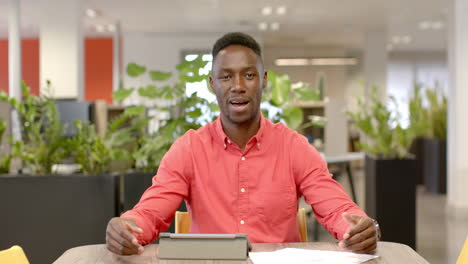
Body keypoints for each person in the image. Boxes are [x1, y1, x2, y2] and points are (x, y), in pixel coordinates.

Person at [105, 32, 381, 256]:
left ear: (263, 80)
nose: (238, 86)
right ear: (212, 84)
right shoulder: (188, 148)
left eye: (248, 75)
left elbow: (335, 207)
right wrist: (128, 227)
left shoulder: (293, 147)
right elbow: (150, 213)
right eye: (226, 77)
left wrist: (359, 227)